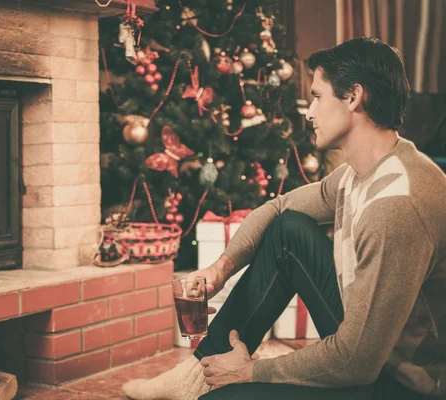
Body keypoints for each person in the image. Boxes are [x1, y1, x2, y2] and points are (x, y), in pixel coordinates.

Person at [122, 37, 446, 400]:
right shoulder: (359, 173)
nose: (308, 111)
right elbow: (277, 209)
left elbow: (358, 361)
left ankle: (208, 382)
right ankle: (198, 373)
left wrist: (252, 371)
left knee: (223, 397)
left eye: (318, 96)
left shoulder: (396, 204)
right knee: (288, 230)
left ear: (354, 97)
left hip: (402, 383)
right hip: (374, 349)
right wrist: (220, 269)